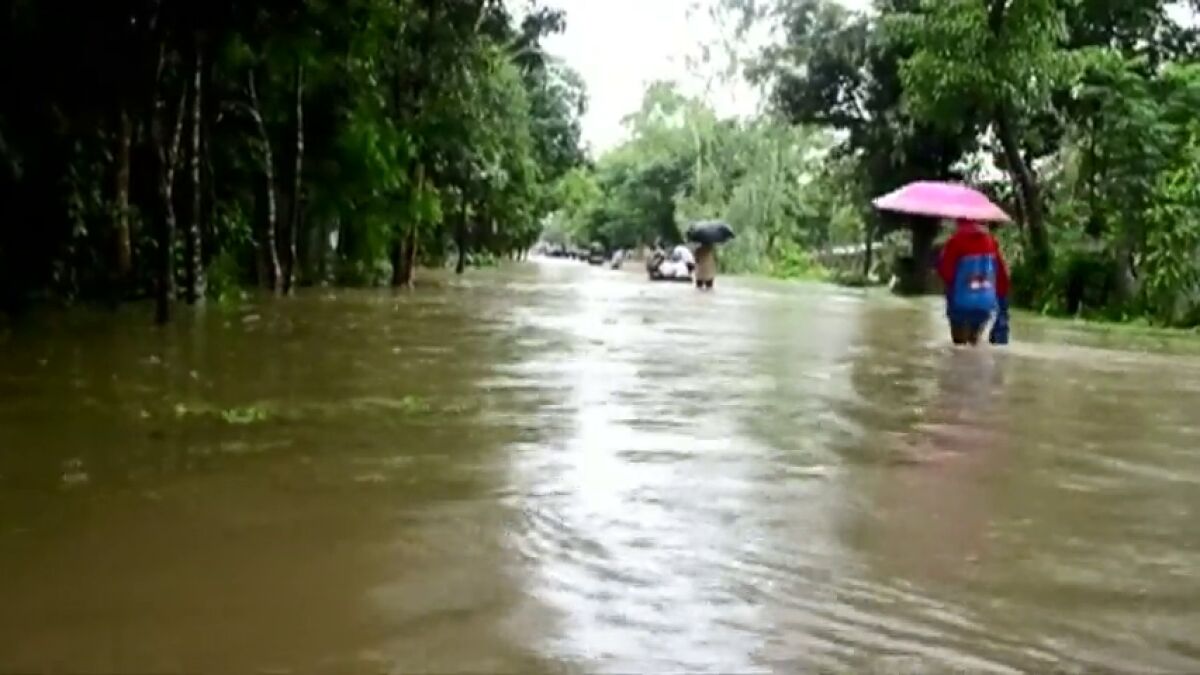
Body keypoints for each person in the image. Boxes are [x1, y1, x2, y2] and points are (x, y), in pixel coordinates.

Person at [937, 219, 1009, 345]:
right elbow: (1002, 275)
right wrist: (1002, 302)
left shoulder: (956, 240)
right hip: (985, 302)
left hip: (960, 301)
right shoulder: (991, 241)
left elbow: (945, 271)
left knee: (959, 344)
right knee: (973, 343)